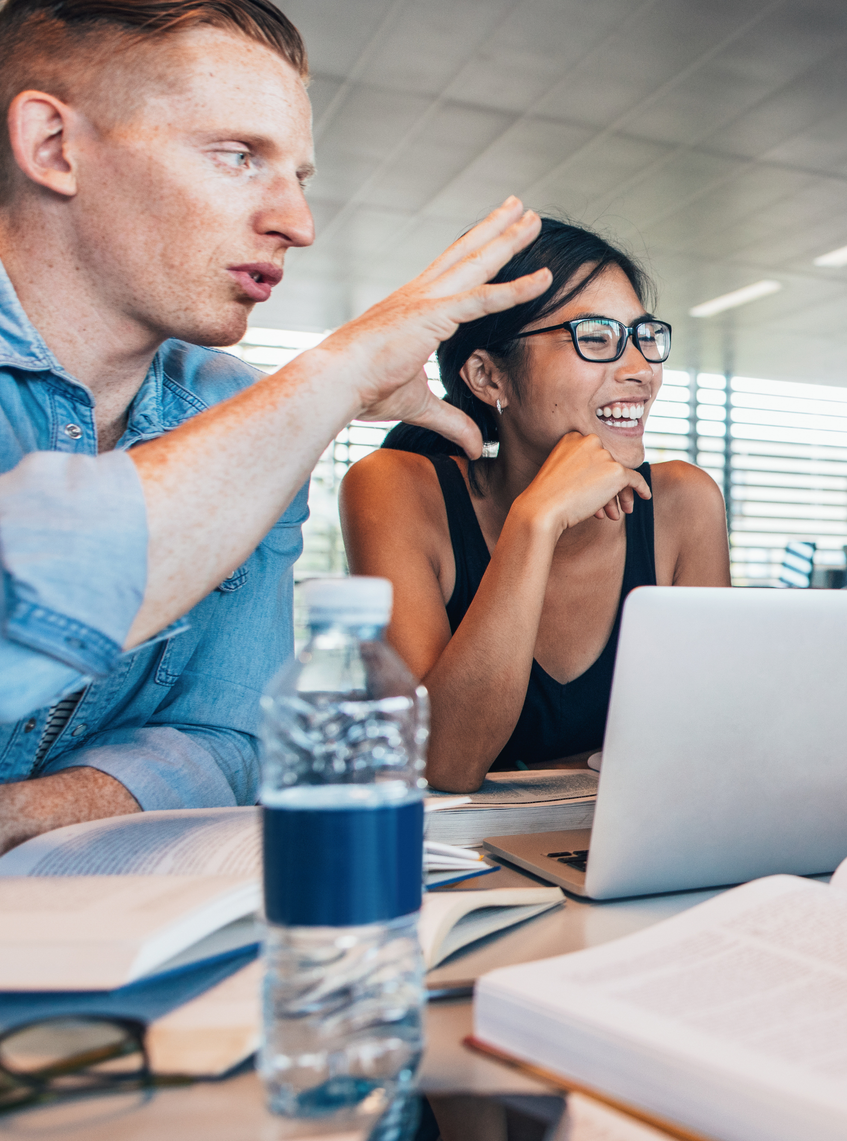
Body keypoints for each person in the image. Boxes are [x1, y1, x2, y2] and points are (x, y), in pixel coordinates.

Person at [0, 0, 551, 851]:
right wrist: (337, 374)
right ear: (52, 147)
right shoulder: (282, 413)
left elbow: (234, 740)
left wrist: (24, 818)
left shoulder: (236, 408)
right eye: (238, 155)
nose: (297, 224)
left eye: (298, 175)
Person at [339, 221, 731, 793]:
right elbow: (442, 763)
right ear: (488, 375)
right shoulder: (396, 488)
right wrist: (537, 520)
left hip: (623, 846)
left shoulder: (683, 503)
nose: (641, 370)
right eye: (595, 338)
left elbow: (709, 744)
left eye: (644, 337)